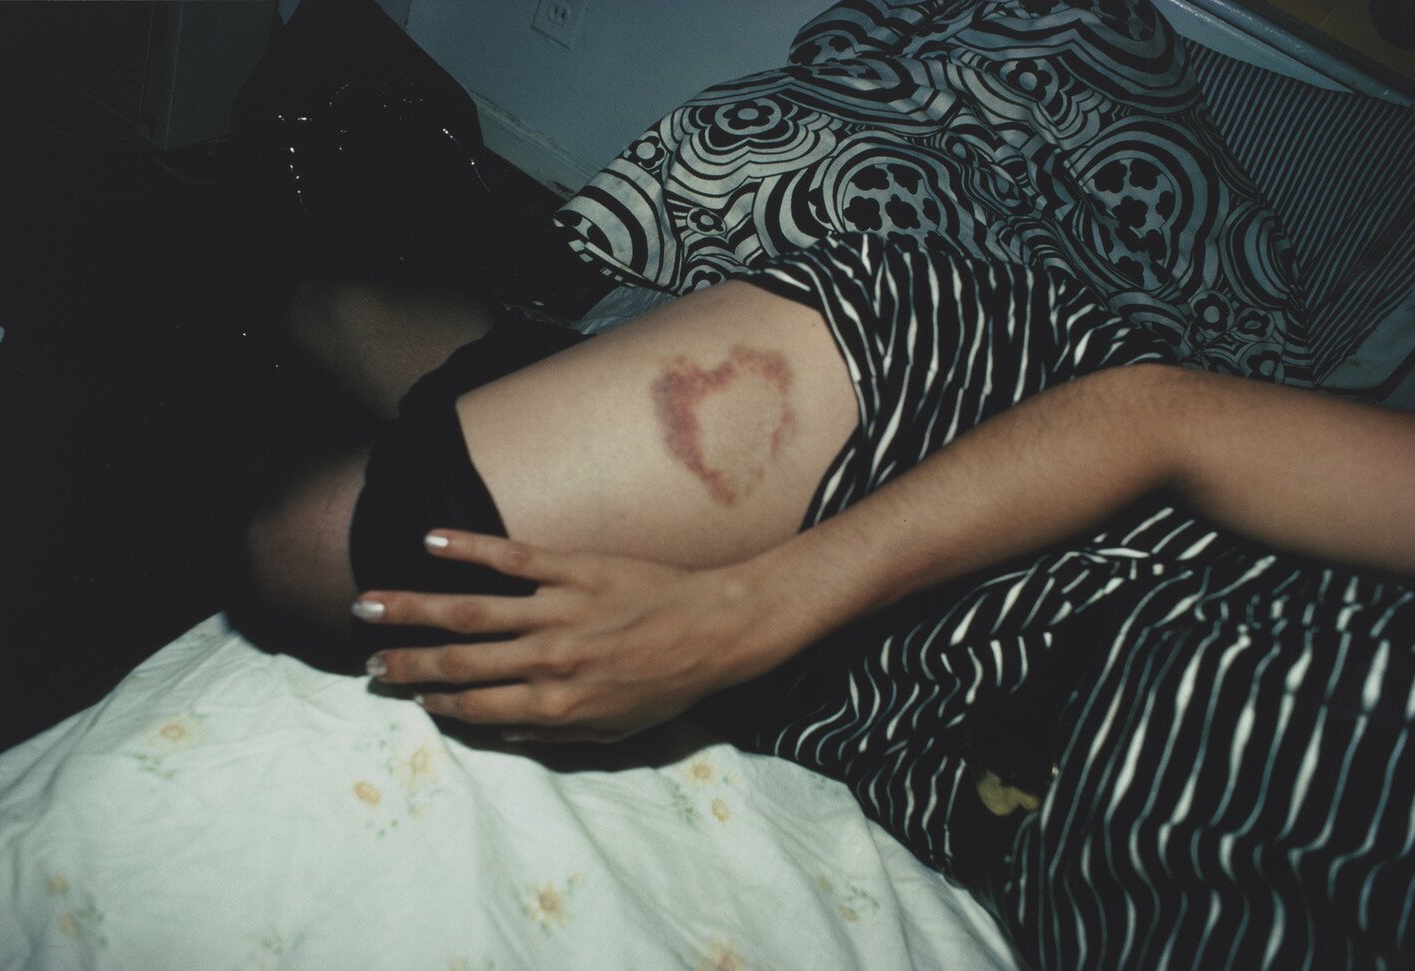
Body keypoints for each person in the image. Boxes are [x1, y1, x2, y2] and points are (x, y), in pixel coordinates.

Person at [240, 232, 1415, 743]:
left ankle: (552, 346)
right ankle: (300, 273)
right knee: (312, 541)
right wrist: (745, 615)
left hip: (933, 729)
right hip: (996, 459)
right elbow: (1159, 413)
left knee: (406, 451)